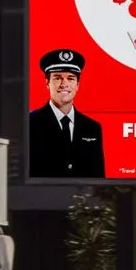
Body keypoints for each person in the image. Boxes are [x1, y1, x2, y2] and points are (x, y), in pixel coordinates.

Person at [28, 47, 105, 178]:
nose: (64, 84)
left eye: (70, 78)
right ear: (47, 82)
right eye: (58, 78)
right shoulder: (29, 123)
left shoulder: (91, 127)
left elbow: (98, 177)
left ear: (78, 84)